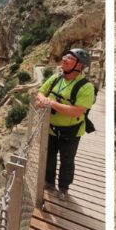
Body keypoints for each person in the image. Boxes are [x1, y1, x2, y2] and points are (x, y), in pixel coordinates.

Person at [34, 48, 96, 200]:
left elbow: (77, 111)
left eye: (69, 58)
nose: (64, 59)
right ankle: (49, 182)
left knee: (67, 160)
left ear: (79, 65)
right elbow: (41, 91)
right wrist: (42, 99)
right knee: (49, 156)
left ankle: (63, 187)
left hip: (71, 132)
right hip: (51, 128)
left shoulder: (86, 87)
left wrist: (52, 104)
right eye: (65, 56)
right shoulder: (56, 78)